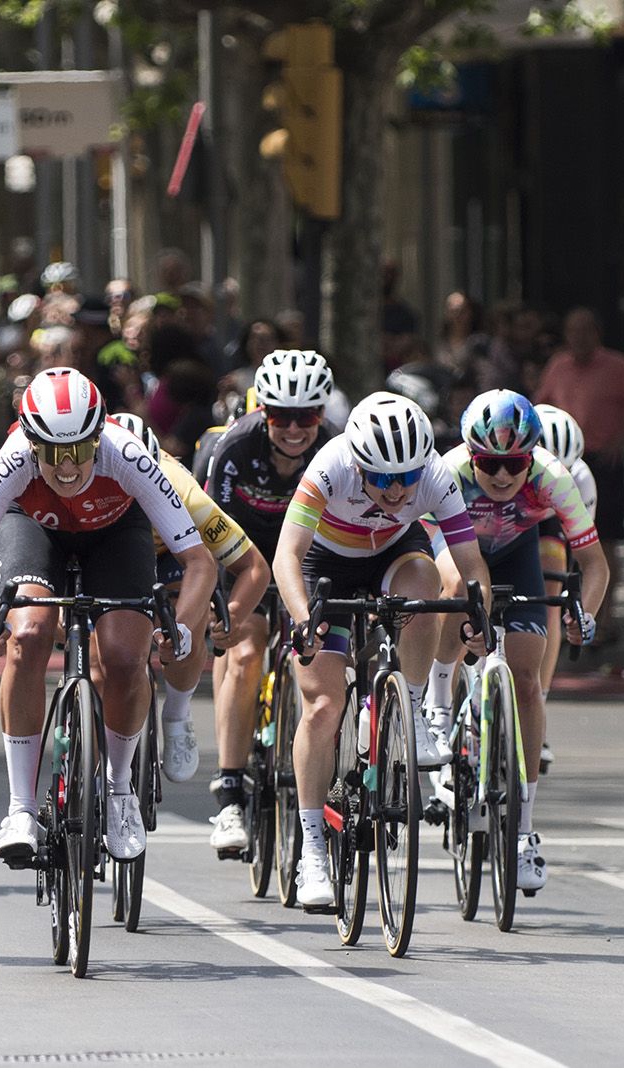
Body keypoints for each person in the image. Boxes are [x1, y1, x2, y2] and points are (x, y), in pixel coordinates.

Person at [0, 368, 217, 866]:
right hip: (35, 529)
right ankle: (20, 808)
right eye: (51, 452)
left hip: (115, 532)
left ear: (97, 437)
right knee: (29, 632)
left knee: (128, 656)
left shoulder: (126, 454)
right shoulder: (15, 457)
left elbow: (199, 561)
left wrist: (186, 627)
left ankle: (120, 789)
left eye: (79, 451)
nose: (66, 467)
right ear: (29, 441)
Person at [276, 392, 489, 911]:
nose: (396, 490)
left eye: (406, 479)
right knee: (323, 706)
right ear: (358, 464)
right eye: (383, 478)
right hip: (323, 563)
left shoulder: (435, 474)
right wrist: (306, 620)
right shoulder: (331, 466)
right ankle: (312, 853)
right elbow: (287, 556)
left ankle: (408, 710)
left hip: (392, 554)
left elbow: (471, 564)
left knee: (430, 588)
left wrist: (482, 620)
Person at [423, 390, 607, 894]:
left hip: (516, 550)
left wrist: (584, 615)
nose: (503, 476)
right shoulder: (449, 471)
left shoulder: (552, 477)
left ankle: (524, 831)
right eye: (490, 463)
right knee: (458, 589)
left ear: (531, 457)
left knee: (526, 682)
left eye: (514, 464)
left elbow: (594, 566)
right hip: (455, 544)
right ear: (471, 455)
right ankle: (439, 703)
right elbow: (418, 536)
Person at [201, 349, 337, 857]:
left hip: (309, 552)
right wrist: (228, 610)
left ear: (322, 414)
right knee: (246, 646)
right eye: (282, 416)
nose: (295, 429)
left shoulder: (335, 447)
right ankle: (231, 789)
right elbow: (217, 535)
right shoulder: (236, 447)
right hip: (246, 550)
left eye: (308, 417)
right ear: (263, 411)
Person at [109, 413, 272, 808]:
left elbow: (252, 566)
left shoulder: (183, 491)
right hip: (107, 551)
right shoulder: (86, 479)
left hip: (171, 556)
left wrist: (230, 614)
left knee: (188, 609)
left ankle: (178, 715)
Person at [532, 308, 624, 644]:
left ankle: (603, 618)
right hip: (555, 463)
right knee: (553, 540)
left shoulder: (615, 365)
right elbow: (536, 406)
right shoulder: (558, 365)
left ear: (597, 333)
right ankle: (555, 614)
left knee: (604, 540)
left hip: (602, 460)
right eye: (573, 331)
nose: (579, 338)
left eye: (586, 330)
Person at [533, 404, 597, 708]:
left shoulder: (582, 479)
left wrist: (580, 608)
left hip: (549, 528)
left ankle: (539, 699)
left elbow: (582, 551)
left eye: (565, 472)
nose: (555, 480)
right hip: (506, 520)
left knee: (552, 596)